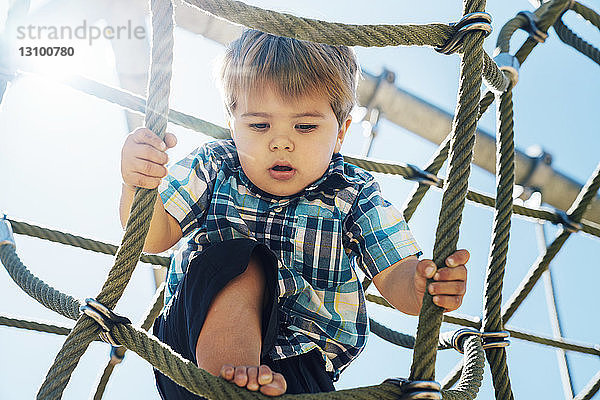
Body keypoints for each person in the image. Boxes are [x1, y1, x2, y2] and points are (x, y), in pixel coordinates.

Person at [119, 29, 469, 398]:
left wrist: (422, 285)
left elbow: (395, 273)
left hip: (300, 370)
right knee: (244, 259)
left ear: (340, 134)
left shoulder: (351, 192)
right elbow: (153, 238)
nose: (281, 141)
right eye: (259, 125)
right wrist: (138, 185)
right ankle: (231, 384)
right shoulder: (216, 165)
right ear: (233, 126)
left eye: (305, 126)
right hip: (195, 349)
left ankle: (251, 384)